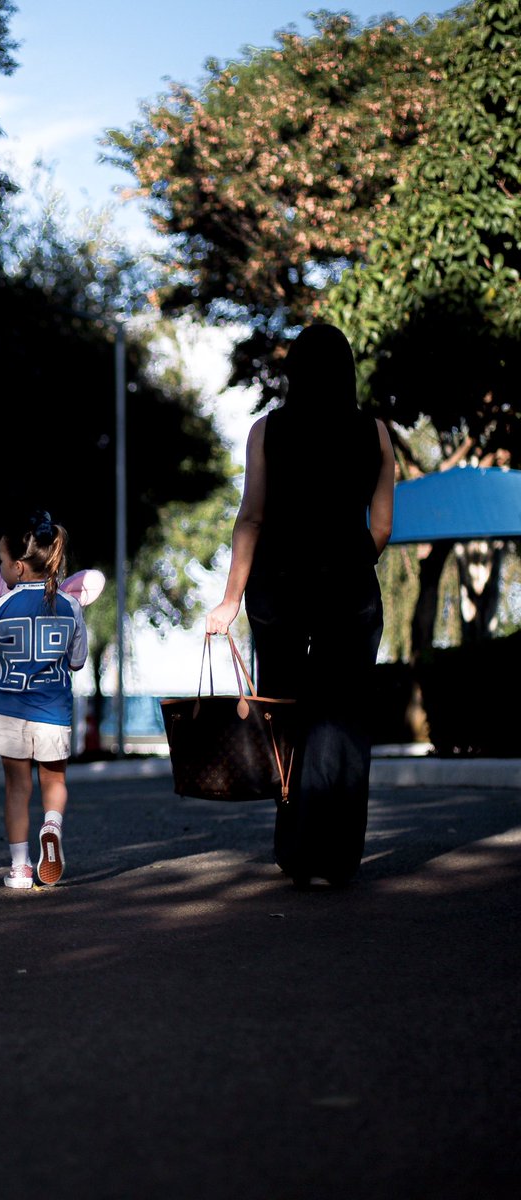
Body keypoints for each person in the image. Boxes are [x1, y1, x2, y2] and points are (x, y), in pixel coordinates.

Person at [205, 322, 395, 888]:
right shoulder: (376, 433)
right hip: (349, 591)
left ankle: (296, 849)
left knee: (289, 717)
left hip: (278, 593)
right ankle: (338, 856)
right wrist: (351, 564)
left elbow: (252, 517)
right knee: (343, 719)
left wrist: (230, 598)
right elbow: (381, 526)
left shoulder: (267, 432)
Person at [0, 511, 88, 889]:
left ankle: (20, 868)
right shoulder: (70, 607)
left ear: (18, 567)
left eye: (3, 561)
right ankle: (51, 826)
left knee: (16, 789)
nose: (1, 567)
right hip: (52, 712)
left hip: (9, 712)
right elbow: (77, 660)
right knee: (54, 781)